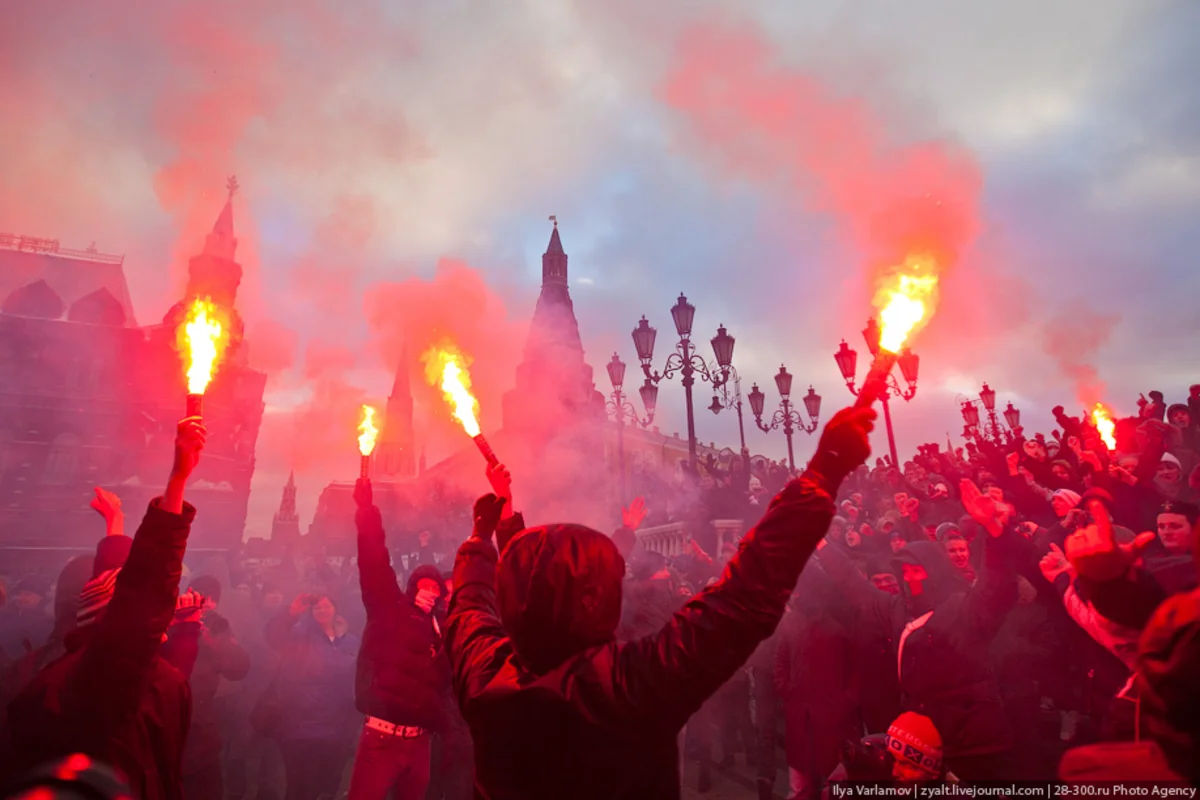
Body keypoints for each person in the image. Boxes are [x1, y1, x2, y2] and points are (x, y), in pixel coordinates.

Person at [444, 406, 875, 799]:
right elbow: (743, 597)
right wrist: (822, 475)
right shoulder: (630, 686)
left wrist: (485, 533)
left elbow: (471, 600)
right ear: (597, 600)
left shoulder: (483, 673)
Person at [1, 418, 207, 800]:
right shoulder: (90, 683)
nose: (166, 610)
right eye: (155, 606)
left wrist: (116, 528)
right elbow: (136, 603)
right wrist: (177, 482)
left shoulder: (130, 675)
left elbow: (132, 615)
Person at [347, 477, 453, 800]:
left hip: (420, 741)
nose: (430, 593)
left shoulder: (441, 629)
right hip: (382, 738)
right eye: (424, 585)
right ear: (411, 587)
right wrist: (367, 512)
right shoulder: (389, 609)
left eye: (436, 589)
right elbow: (375, 563)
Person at [266, 593, 359, 800]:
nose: (323, 611)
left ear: (336, 609)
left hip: (336, 728)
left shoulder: (349, 640)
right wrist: (290, 615)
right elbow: (275, 637)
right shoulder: (301, 635)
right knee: (300, 788)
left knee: (326, 788)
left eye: (327, 606)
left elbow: (351, 678)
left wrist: (340, 639)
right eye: (317, 607)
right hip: (302, 726)